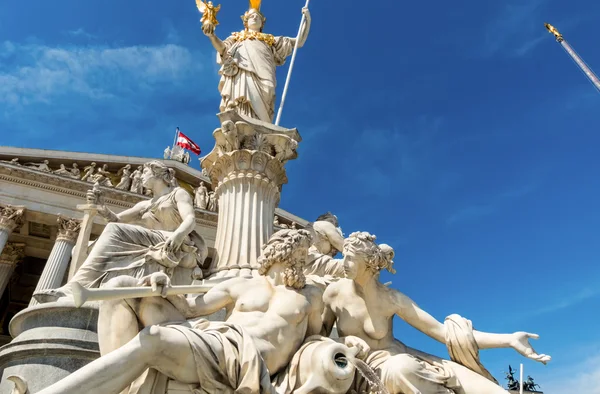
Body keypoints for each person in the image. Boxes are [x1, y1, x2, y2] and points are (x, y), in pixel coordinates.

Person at [32, 229, 335, 394]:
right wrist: (157, 282)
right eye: (299, 252)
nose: (303, 258)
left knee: (155, 339)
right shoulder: (240, 284)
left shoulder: (310, 296)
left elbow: (315, 341)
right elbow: (191, 308)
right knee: (123, 285)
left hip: (246, 360)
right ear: (281, 252)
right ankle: (125, 386)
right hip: (219, 339)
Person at [322, 231, 551, 394]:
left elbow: (445, 334)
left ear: (369, 263)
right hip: (359, 368)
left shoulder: (392, 299)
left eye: (351, 258)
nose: (344, 263)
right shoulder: (333, 293)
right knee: (399, 369)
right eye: (345, 256)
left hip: (395, 360)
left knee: (403, 368)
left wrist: (509, 340)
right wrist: (343, 341)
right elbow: (316, 339)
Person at [33, 160, 207, 303]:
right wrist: (102, 208)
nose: (140, 176)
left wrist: (177, 235)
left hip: (177, 243)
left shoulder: (178, 193)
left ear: (157, 174)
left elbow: (190, 220)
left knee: (113, 231)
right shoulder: (145, 204)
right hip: (154, 241)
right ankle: (80, 288)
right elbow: (116, 220)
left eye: (145, 173)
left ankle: (75, 286)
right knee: (91, 245)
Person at [203, 0, 311, 123]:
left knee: (268, 89)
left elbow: (299, 41)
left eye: (257, 17)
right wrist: (211, 36)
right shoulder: (237, 38)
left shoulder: (270, 40)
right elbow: (222, 49)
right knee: (241, 97)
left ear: (262, 23)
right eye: (251, 16)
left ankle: (263, 126)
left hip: (265, 72)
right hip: (242, 71)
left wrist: (307, 19)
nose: (254, 18)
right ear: (246, 22)